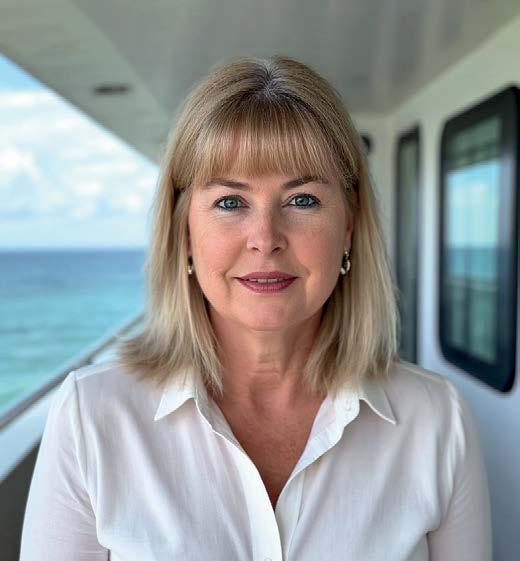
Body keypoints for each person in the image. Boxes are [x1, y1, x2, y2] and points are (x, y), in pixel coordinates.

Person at [20, 55, 492, 561]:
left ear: (349, 227)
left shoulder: (437, 420)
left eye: (302, 200)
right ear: (183, 231)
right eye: (230, 202)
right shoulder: (92, 417)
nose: (265, 239)